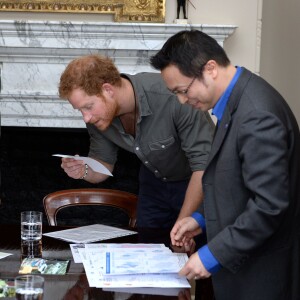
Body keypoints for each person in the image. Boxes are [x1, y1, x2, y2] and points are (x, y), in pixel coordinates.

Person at [150, 30, 300, 299]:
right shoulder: (235, 101)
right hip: (245, 267)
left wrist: (211, 255)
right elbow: (237, 185)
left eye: (183, 90)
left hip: (261, 275)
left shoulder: (257, 115)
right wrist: (201, 220)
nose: (183, 100)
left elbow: (269, 206)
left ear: (210, 69)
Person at [58, 54, 215, 230]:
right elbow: (103, 166)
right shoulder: (98, 118)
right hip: (153, 182)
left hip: (199, 182)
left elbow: (204, 166)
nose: (86, 118)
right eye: (80, 110)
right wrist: (82, 170)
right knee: (148, 248)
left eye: (88, 106)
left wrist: (184, 223)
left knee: (197, 251)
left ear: (108, 90)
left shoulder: (172, 97)